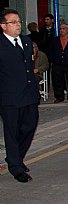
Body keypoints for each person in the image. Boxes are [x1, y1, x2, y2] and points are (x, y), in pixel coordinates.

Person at [0, 9, 39, 183]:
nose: (18, 25)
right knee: (12, 132)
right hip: (9, 98)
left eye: (19, 22)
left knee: (29, 127)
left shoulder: (26, 41)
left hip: (29, 95)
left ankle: (16, 157)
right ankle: (16, 167)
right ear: (3, 26)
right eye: (13, 22)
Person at [50, 22, 68, 103]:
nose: (62, 31)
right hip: (57, 64)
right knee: (58, 81)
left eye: (64, 29)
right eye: (60, 29)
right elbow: (51, 52)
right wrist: (53, 61)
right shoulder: (55, 40)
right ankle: (59, 97)